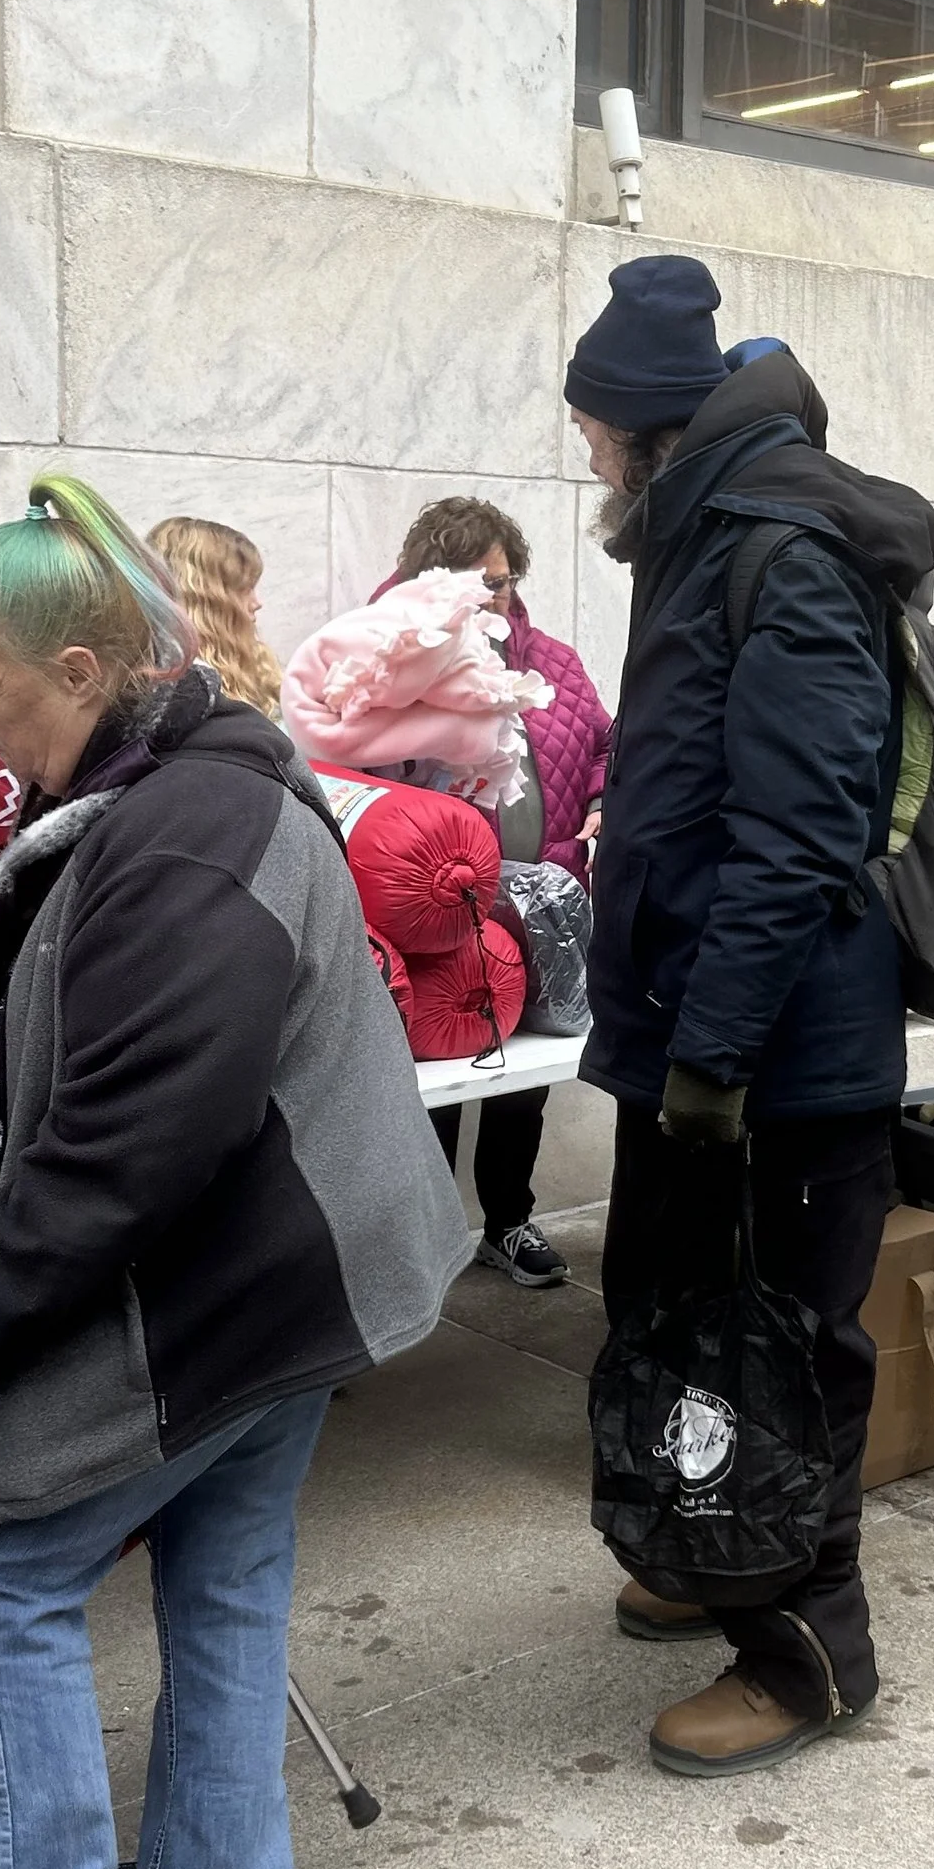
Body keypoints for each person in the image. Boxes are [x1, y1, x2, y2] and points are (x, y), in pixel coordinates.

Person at [0, 475, 469, 1869]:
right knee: (222, 1565)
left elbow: (123, 1159)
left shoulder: (191, 831)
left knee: (5, 1574)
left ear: (84, 671)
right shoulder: (178, 786)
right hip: (295, 1283)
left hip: (242, 1284)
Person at [569, 254, 934, 1775]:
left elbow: (794, 836)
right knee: (674, 1324)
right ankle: (706, 1543)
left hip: (775, 1057)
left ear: (652, 428)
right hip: (705, 1040)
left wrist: (715, 1055)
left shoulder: (777, 550)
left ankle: (810, 1658)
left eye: (591, 426)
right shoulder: (701, 528)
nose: (582, 453)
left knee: (781, 1351)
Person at [384, 497, 615, 1291]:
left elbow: (603, 742)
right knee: (439, 1078)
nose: (495, 597)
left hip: (543, 904)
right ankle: (428, 1240)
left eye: (504, 580)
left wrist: (600, 799)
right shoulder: (388, 660)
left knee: (527, 1076)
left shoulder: (552, 660)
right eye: (476, 583)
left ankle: (507, 1220)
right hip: (439, 904)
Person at [145, 515, 281, 716]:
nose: (257, 603)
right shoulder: (186, 695)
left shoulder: (235, 672)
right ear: (208, 601)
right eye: (244, 588)